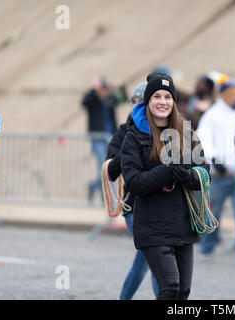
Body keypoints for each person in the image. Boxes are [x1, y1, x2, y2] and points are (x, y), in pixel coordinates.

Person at [121, 72, 210, 300]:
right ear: (148, 101)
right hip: (152, 224)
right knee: (169, 287)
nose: (163, 102)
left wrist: (187, 176)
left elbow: (205, 173)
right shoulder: (133, 136)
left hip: (183, 224)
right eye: (157, 97)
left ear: (174, 101)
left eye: (168, 97)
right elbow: (134, 182)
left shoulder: (187, 132)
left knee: (183, 291)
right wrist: (167, 171)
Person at [104, 81, 159, 299]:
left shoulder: (161, 130)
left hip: (159, 206)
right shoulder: (124, 133)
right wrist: (129, 149)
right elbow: (109, 168)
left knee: (147, 261)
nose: (138, 105)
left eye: (142, 101)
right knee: (156, 257)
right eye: (134, 101)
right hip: (134, 207)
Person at [197, 79, 235, 266]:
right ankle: (207, 249)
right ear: (227, 96)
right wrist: (213, 158)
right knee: (213, 214)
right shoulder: (212, 115)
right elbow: (203, 138)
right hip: (218, 177)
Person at [82, 76, 119, 202]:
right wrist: (94, 90)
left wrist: (119, 88)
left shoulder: (109, 98)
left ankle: (93, 186)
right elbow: (84, 103)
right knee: (102, 168)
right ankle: (105, 201)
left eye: (103, 88)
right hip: (98, 138)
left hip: (111, 138)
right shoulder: (93, 99)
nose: (102, 90)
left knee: (109, 168)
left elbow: (122, 100)